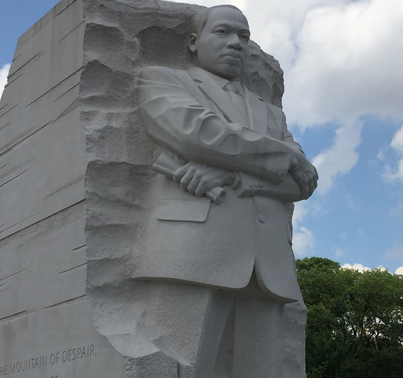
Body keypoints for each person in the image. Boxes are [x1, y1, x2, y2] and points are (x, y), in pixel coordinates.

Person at [133, 5, 318, 377]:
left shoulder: (271, 114)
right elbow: (197, 132)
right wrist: (281, 154)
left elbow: (303, 181)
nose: (236, 43)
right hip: (194, 251)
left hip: (268, 265)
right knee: (178, 367)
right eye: (222, 32)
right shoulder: (163, 80)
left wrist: (233, 177)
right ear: (193, 42)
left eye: (244, 37)